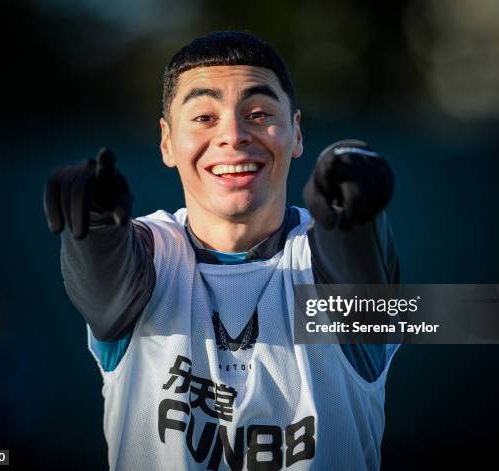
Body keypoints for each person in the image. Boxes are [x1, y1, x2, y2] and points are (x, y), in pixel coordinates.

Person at [44, 31, 399, 471]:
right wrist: (94, 225)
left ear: (297, 132)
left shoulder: (324, 264)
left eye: (258, 112)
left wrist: (353, 190)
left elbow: (361, 278)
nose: (233, 134)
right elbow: (103, 281)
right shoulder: (151, 257)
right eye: (204, 117)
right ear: (167, 142)